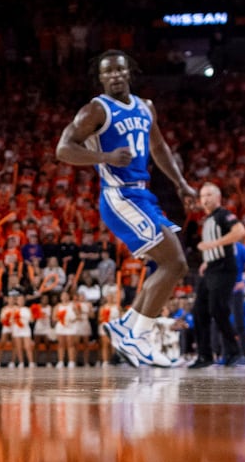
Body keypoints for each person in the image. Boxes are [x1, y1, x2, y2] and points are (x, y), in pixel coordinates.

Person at [56, 51, 197, 367]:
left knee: (168, 265)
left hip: (143, 196)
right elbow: (63, 149)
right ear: (101, 78)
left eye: (120, 69)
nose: (115, 75)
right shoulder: (95, 110)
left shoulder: (146, 107)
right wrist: (104, 158)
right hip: (119, 197)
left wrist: (180, 183)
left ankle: (127, 327)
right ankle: (138, 335)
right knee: (175, 263)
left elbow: (159, 148)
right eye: (108, 72)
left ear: (129, 71)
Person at [190, 182, 245, 368]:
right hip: (212, 269)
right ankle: (204, 356)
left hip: (224, 269)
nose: (205, 199)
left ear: (218, 197)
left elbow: (240, 231)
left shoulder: (223, 214)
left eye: (209, 195)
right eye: (202, 196)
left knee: (218, 310)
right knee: (199, 310)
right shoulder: (207, 219)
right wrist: (207, 260)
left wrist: (212, 246)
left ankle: (234, 352)